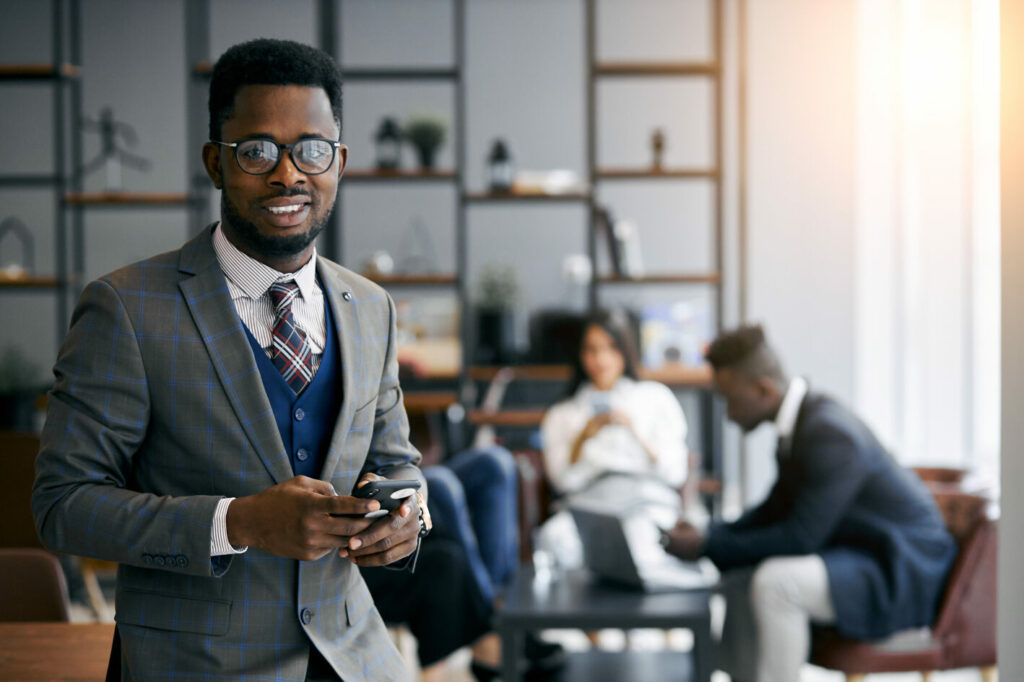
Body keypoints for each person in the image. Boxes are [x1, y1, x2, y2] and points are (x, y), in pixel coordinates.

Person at [32, 38, 429, 681]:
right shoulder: (126, 309)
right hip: (197, 664)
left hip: (352, 660)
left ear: (340, 160)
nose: (288, 174)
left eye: (311, 150)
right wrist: (238, 521)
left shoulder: (371, 306)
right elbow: (64, 506)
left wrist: (407, 513)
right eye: (257, 151)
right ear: (216, 163)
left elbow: (396, 463)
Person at [663, 324, 957, 682]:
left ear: (763, 389)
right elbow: (774, 510)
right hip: (860, 554)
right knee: (742, 574)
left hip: (899, 569)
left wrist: (708, 545)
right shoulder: (803, 425)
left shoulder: (828, 433)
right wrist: (710, 532)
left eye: (731, 400)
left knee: (777, 582)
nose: (728, 414)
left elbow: (801, 537)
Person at [538, 308, 691, 568]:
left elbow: (675, 473)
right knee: (554, 540)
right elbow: (562, 481)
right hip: (589, 504)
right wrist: (583, 437)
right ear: (580, 355)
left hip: (645, 499)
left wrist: (634, 431)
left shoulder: (655, 398)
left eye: (611, 348)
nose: (601, 359)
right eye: (592, 350)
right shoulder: (562, 413)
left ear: (626, 350)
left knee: (643, 548)